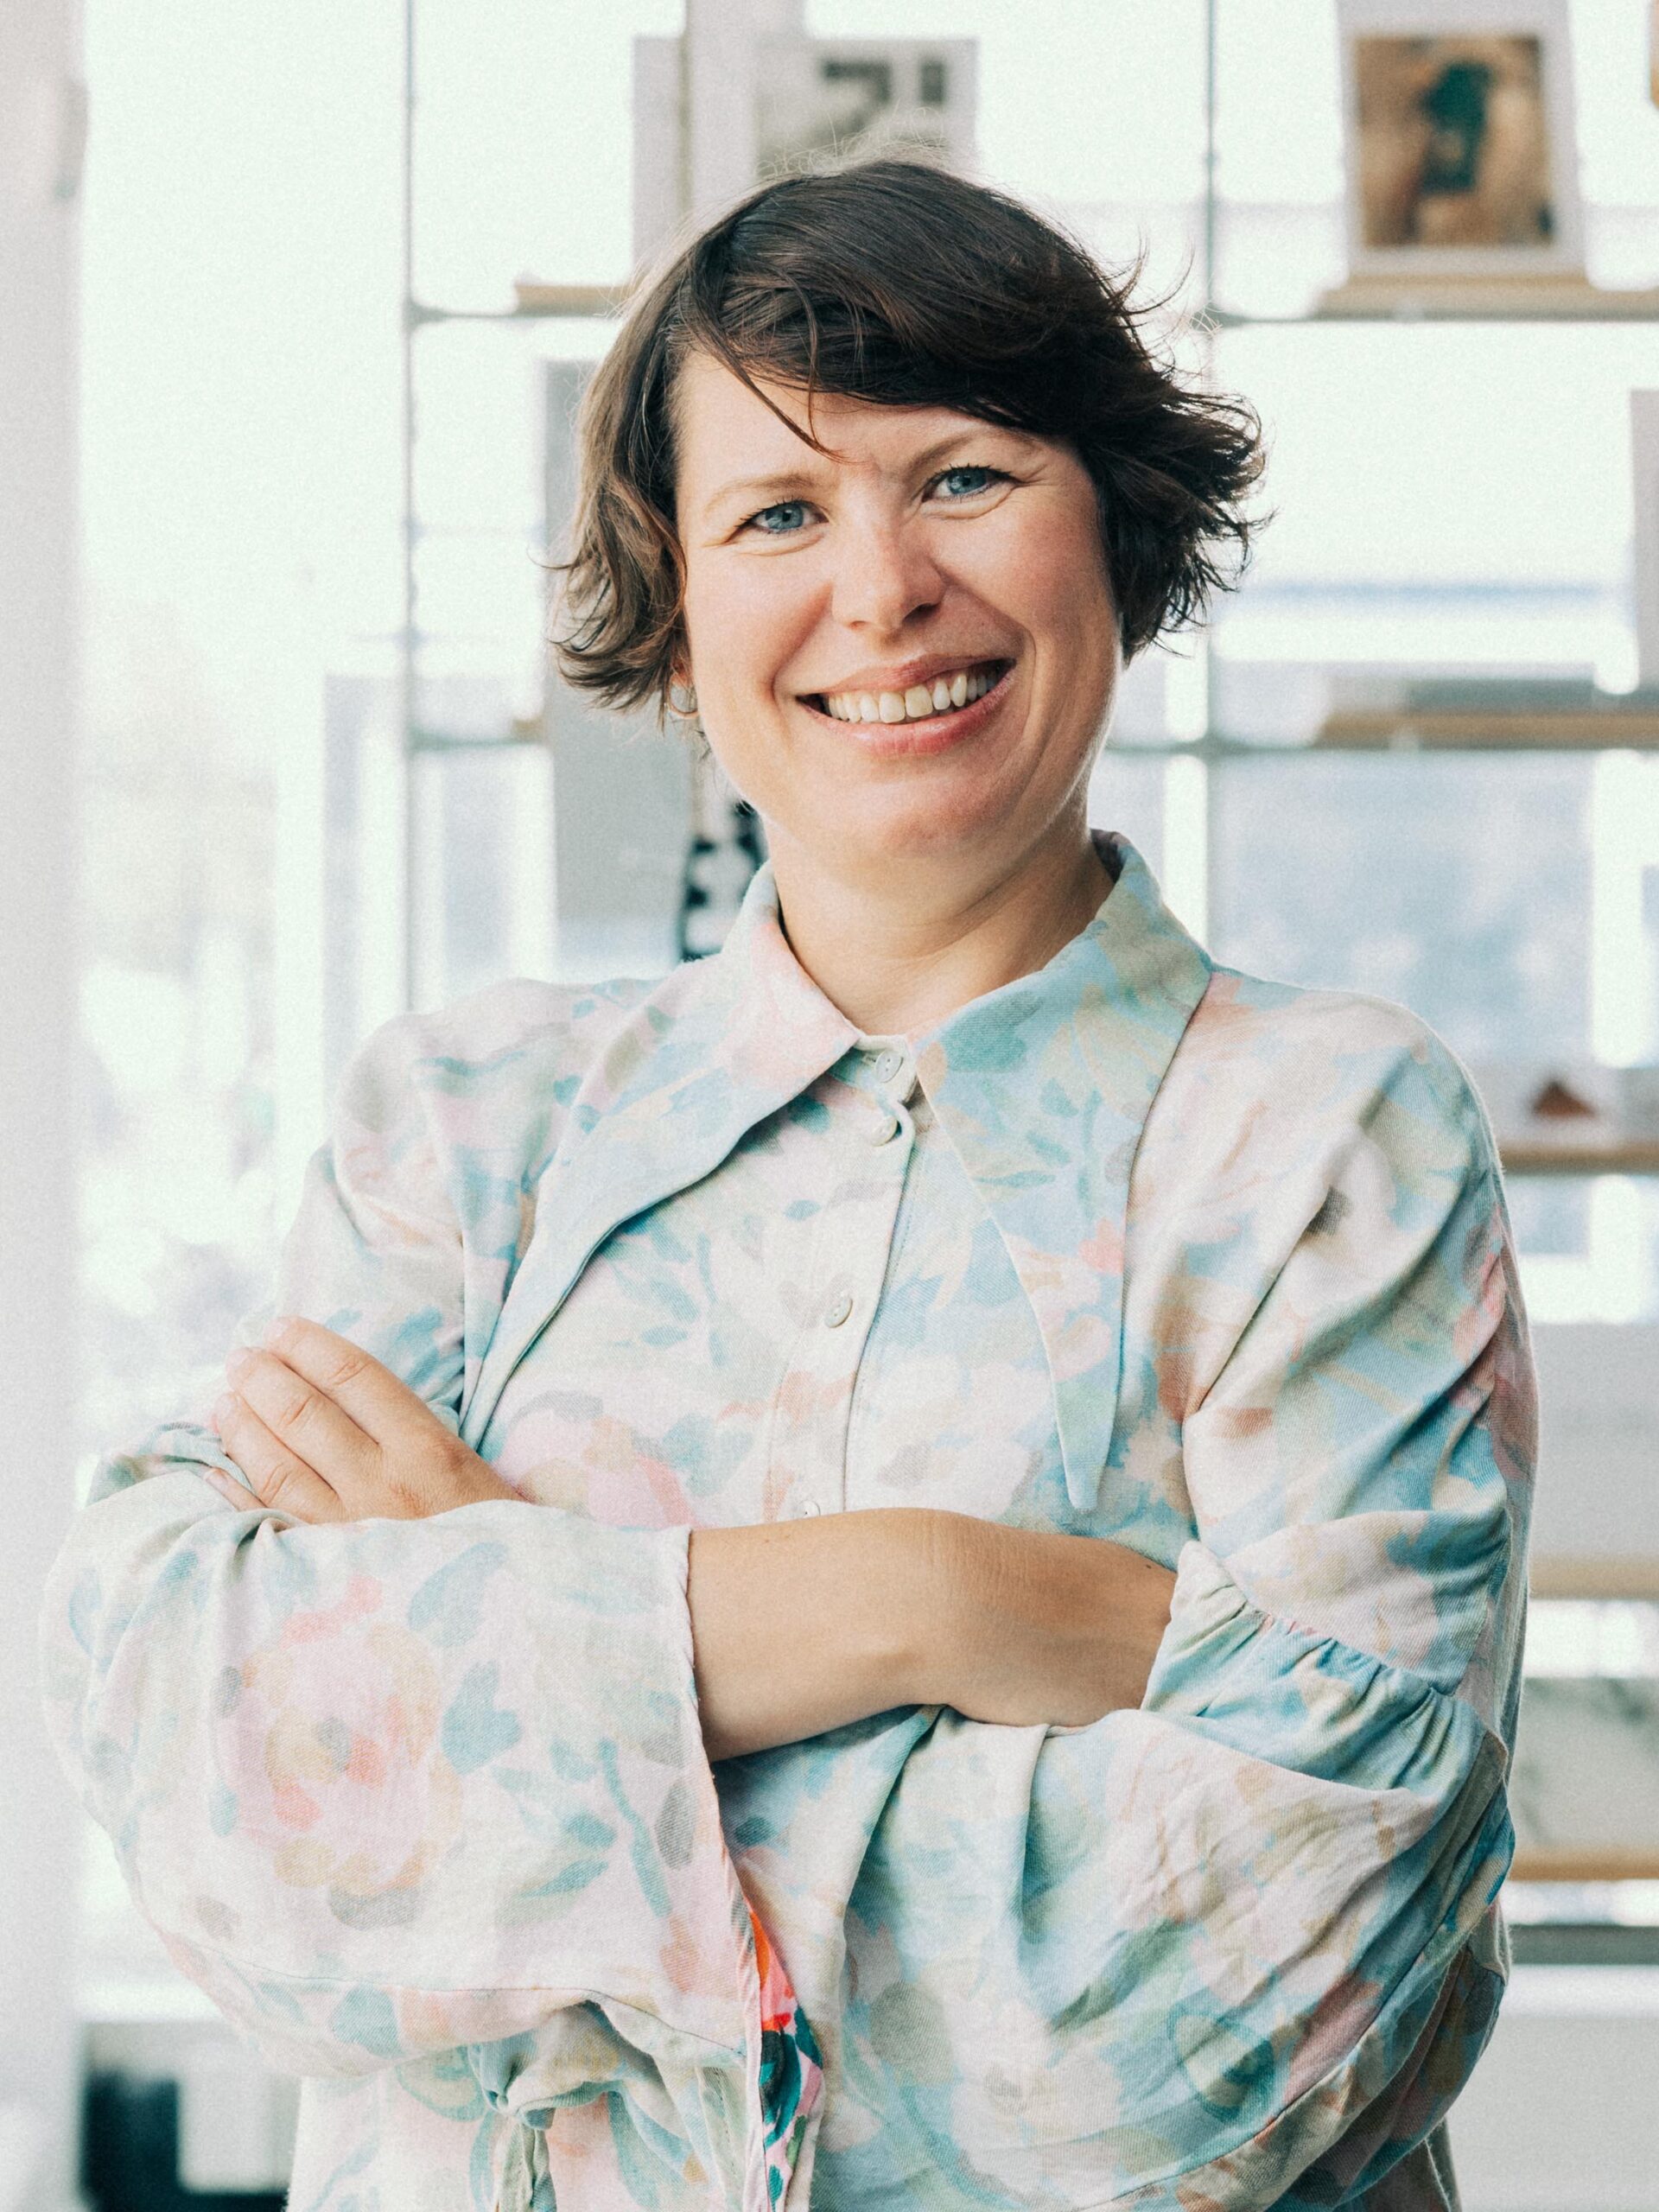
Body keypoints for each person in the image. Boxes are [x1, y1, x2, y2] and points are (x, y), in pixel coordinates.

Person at [41, 159, 1535, 2212]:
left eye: (964, 477)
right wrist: (934, 1598)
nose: (882, 587)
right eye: (776, 514)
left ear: (1120, 523)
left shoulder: (1329, 1143)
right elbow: (197, 1767)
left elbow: (1258, 2003)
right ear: (677, 599)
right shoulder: (461, 1131)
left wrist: (512, 1685)